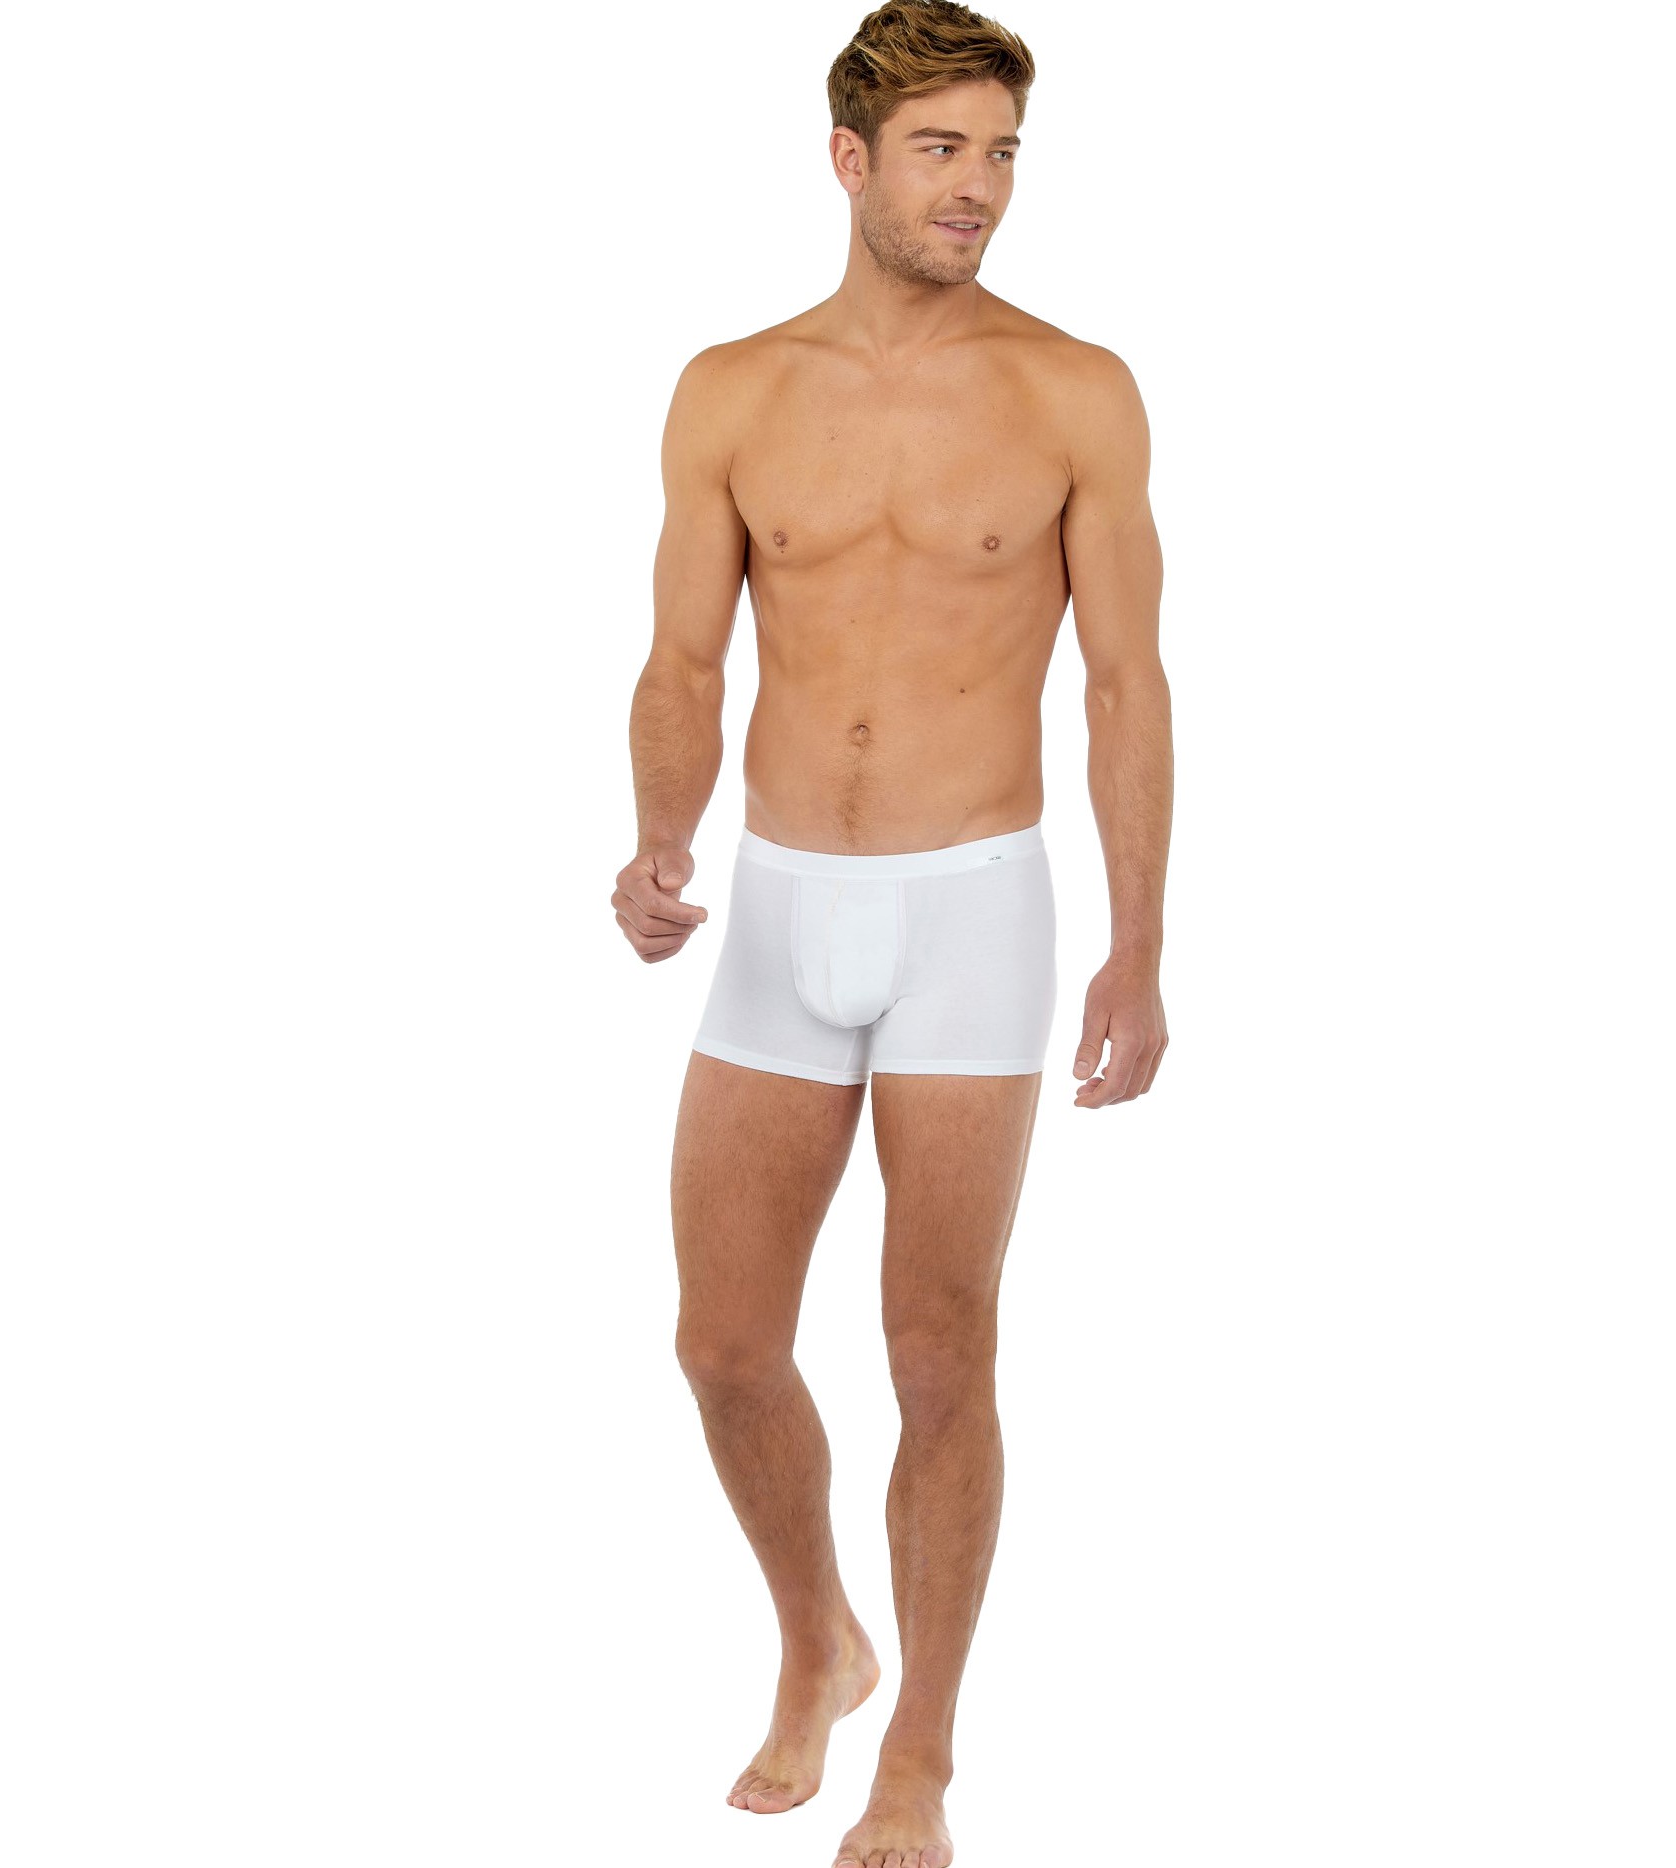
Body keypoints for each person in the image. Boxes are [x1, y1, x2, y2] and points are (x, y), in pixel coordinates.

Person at [614, 3, 1171, 1861]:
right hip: (782, 906)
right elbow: (685, 659)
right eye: (942, 150)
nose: (979, 188)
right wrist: (658, 839)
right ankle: (819, 1642)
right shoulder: (731, 388)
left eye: (1002, 153)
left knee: (939, 1353)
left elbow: (1126, 686)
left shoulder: (1074, 389)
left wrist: (1139, 945)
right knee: (721, 1346)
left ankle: (920, 1748)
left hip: (972, 910)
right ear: (846, 158)